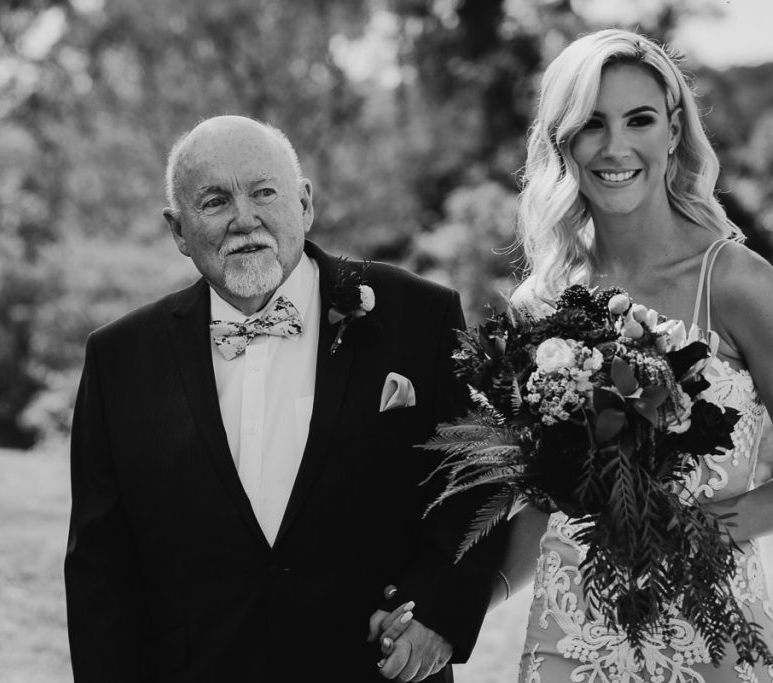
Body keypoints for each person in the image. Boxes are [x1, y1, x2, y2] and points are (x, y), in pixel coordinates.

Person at [377, 28, 773, 682]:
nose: (615, 146)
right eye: (591, 124)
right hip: (568, 641)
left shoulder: (736, 282)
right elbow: (544, 504)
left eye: (639, 120)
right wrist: (446, 613)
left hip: (709, 636)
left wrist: (691, 532)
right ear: (563, 141)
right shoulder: (540, 303)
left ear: (674, 130)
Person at [64, 115, 502, 682]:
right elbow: (100, 564)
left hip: (374, 669)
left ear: (304, 203)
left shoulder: (420, 315)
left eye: (264, 193)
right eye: (215, 201)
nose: (244, 219)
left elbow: (477, 481)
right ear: (178, 230)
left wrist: (439, 614)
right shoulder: (119, 357)